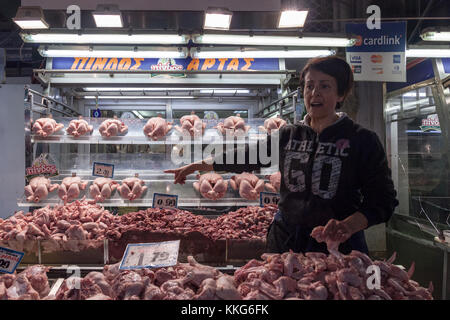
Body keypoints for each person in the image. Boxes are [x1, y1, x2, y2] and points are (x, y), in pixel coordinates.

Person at [165, 55, 399, 255]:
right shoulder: (290, 135)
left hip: (337, 243)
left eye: (325, 86)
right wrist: (198, 165)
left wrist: (348, 226)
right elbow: (248, 155)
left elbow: (383, 201)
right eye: (309, 86)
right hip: (286, 238)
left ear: (341, 94)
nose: (314, 93)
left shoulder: (362, 140)